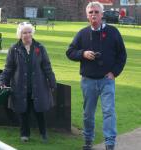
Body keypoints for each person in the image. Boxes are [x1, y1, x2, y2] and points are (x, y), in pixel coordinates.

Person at [66, 2, 127, 150]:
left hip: (107, 80)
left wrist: (114, 72)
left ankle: (110, 143)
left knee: (109, 112)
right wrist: (83, 54)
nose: (93, 14)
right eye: (91, 12)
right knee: (88, 114)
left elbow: (122, 55)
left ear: (102, 14)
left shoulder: (113, 32)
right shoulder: (82, 33)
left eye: (96, 12)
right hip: (88, 81)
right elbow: (70, 52)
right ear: (87, 15)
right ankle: (88, 141)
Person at [0, 22, 56, 142]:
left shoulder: (40, 48)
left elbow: (47, 66)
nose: (27, 35)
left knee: (39, 112)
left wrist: (52, 81)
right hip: (20, 86)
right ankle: (24, 135)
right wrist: (2, 81)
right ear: (20, 35)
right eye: (24, 32)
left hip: (38, 86)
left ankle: (43, 133)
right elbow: (8, 68)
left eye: (29, 32)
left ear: (32, 33)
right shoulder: (14, 49)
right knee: (23, 112)